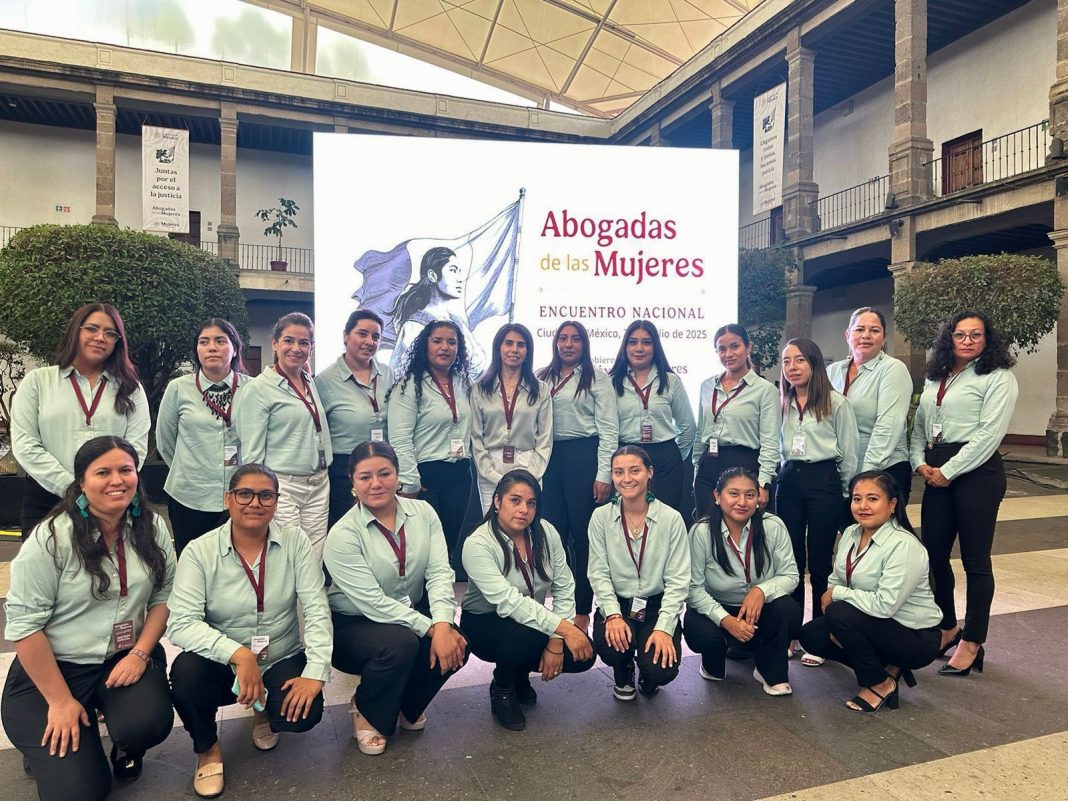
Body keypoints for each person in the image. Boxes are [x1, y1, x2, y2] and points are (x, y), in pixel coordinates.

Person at [2, 436, 175, 801]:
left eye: (125, 470)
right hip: (56, 667)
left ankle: (121, 744)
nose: (117, 480)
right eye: (103, 472)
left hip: (122, 656)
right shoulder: (52, 537)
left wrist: (140, 653)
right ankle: (51, 748)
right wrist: (60, 701)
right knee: (79, 792)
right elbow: (24, 626)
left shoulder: (152, 526)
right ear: (81, 482)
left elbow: (163, 598)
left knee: (147, 723)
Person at [167, 464, 332, 799]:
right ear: (228, 499)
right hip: (223, 662)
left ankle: (263, 710)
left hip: (279, 654)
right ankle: (208, 749)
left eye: (266, 495)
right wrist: (239, 655)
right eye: (245, 494)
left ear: (276, 501)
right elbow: (180, 623)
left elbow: (317, 607)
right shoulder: (200, 551)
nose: (255, 503)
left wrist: (316, 671)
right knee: (186, 675)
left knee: (303, 714)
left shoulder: (294, 541)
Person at [324, 441, 469, 755]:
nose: (376, 483)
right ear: (352, 483)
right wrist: (431, 628)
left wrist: (443, 624)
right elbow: (372, 602)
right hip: (354, 623)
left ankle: (405, 703)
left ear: (398, 475)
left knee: (457, 643)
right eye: (365, 477)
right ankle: (365, 708)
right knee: (401, 643)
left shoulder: (423, 513)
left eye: (384, 473)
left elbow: (439, 572)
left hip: (407, 612)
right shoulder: (343, 535)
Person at [910, 310, 1018, 676]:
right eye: (960, 334)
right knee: (934, 557)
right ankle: (947, 627)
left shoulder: (998, 377)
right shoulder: (936, 376)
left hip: (978, 474)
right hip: (935, 468)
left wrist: (949, 471)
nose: (967, 341)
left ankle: (972, 641)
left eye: (976, 335)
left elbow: (989, 435)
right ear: (949, 338)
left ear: (987, 339)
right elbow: (919, 426)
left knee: (975, 561)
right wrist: (918, 463)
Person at [460, 469, 595, 731]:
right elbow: (508, 601)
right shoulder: (478, 543)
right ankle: (502, 688)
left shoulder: (545, 532)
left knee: (583, 654)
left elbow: (564, 585)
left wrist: (556, 641)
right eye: (515, 500)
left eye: (531, 503)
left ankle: (518, 673)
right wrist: (566, 629)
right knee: (528, 632)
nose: (524, 509)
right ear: (497, 501)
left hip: (529, 620)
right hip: (484, 622)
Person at [799, 471, 942, 712]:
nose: (863, 506)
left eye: (873, 499)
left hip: (914, 635)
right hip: (873, 623)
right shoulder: (851, 533)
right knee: (811, 635)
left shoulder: (903, 545)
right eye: (857, 499)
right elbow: (837, 578)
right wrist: (836, 598)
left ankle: (879, 683)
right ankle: (885, 667)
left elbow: (885, 605)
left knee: (839, 613)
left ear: (892, 504)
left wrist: (838, 596)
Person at [12, 303, 150, 539]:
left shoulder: (130, 388)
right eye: (92, 328)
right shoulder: (38, 382)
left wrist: (103, 487)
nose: (100, 337)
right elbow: (25, 444)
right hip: (48, 500)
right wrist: (74, 489)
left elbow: (136, 446)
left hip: (111, 504)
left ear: (117, 342)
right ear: (75, 331)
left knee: (112, 564)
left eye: (110, 333)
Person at [776, 338, 858, 665]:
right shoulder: (782, 402)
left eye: (799, 360)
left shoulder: (836, 403)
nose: (792, 367)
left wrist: (846, 496)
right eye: (786, 361)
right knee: (791, 562)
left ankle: (819, 636)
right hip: (788, 481)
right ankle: (792, 633)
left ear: (814, 363)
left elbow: (849, 453)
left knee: (821, 563)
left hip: (824, 481)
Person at [683, 468, 801, 695]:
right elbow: (692, 588)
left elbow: (791, 575)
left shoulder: (773, 526)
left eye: (750, 495)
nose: (742, 502)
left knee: (788, 610)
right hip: (718, 607)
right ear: (717, 496)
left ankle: (769, 669)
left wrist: (760, 591)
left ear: (758, 498)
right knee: (700, 630)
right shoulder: (701, 532)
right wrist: (725, 620)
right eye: (733, 494)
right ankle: (713, 660)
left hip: (759, 609)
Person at [587, 446, 688, 701]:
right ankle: (624, 669)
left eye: (635, 471)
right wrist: (612, 614)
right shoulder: (600, 517)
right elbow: (598, 573)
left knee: (660, 669)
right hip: (619, 603)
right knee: (611, 646)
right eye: (618, 472)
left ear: (649, 472)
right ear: (612, 476)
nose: (626, 479)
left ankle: (647, 675)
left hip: (655, 606)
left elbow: (678, 580)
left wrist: (664, 628)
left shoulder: (671, 519)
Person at [537, 320, 618, 633]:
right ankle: (561, 608)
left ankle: (583, 609)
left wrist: (604, 474)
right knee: (553, 537)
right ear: (555, 342)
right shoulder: (542, 377)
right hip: (549, 460)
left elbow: (609, 430)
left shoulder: (597, 378)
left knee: (584, 539)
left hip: (585, 459)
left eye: (575, 339)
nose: (568, 344)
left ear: (584, 344)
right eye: (563, 338)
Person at [235, 312, 333, 561]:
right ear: (275, 344)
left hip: (319, 483)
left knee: (315, 557)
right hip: (284, 485)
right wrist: (259, 493)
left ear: (311, 347)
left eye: (304, 342)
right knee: (289, 555)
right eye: (289, 340)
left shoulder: (309, 380)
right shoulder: (259, 388)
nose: (296, 348)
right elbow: (252, 452)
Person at [387, 320, 476, 569]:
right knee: (425, 552)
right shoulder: (409, 386)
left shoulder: (464, 383)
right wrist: (411, 482)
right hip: (425, 478)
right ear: (425, 345)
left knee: (448, 549)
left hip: (460, 476)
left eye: (451, 342)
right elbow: (400, 438)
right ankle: (423, 596)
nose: (444, 347)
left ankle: (442, 594)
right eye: (437, 341)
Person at [157, 318, 248, 555]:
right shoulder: (178, 388)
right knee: (192, 562)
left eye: (220, 341)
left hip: (240, 495)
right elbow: (165, 441)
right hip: (190, 494)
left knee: (237, 563)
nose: (212, 348)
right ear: (196, 350)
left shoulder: (252, 388)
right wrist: (189, 469)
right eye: (204, 342)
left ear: (235, 349)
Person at [827, 307, 914, 504]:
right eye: (859, 329)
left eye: (874, 330)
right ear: (847, 335)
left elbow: (888, 426)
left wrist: (864, 477)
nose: (866, 335)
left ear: (883, 338)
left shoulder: (892, 369)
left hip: (882, 471)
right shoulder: (832, 371)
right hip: (841, 472)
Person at [315, 309, 393, 528]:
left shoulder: (388, 374)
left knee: (382, 529)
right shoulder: (324, 381)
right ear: (346, 336)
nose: (369, 342)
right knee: (350, 530)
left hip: (383, 464)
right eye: (362, 334)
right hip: (344, 469)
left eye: (375, 337)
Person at [609, 320, 696, 515]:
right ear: (625, 346)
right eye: (633, 342)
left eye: (646, 342)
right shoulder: (612, 382)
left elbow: (688, 427)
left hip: (665, 461)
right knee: (628, 517)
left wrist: (672, 455)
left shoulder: (671, 381)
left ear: (655, 346)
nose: (639, 348)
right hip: (626, 458)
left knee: (665, 518)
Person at [694, 324, 781, 519]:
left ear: (748, 347)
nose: (728, 354)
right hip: (709, 465)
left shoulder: (765, 390)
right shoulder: (707, 386)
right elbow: (700, 432)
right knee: (706, 528)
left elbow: (770, 442)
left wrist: (763, 483)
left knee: (742, 530)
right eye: (722, 349)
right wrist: (697, 471)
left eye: (735, 346)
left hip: (745, 465)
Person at [470, 323, 552, 512]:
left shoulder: (541, 390)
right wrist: (492, 475)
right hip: (491, 468)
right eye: (508, 343)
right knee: (493, 524)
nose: (514, 349)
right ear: (498, 348)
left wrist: (530, 477)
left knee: (525, 522)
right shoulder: (479, 389)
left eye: (521, 345)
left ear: (528, 351)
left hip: (529, 466)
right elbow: (476, 438)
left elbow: (545, 440)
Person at [389, 247, 483, 371]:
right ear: (432, 275)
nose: (460, 279)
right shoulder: (415, 325)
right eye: (453, 270)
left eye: (459, 272)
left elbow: (479, 364)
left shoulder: (457, 322)